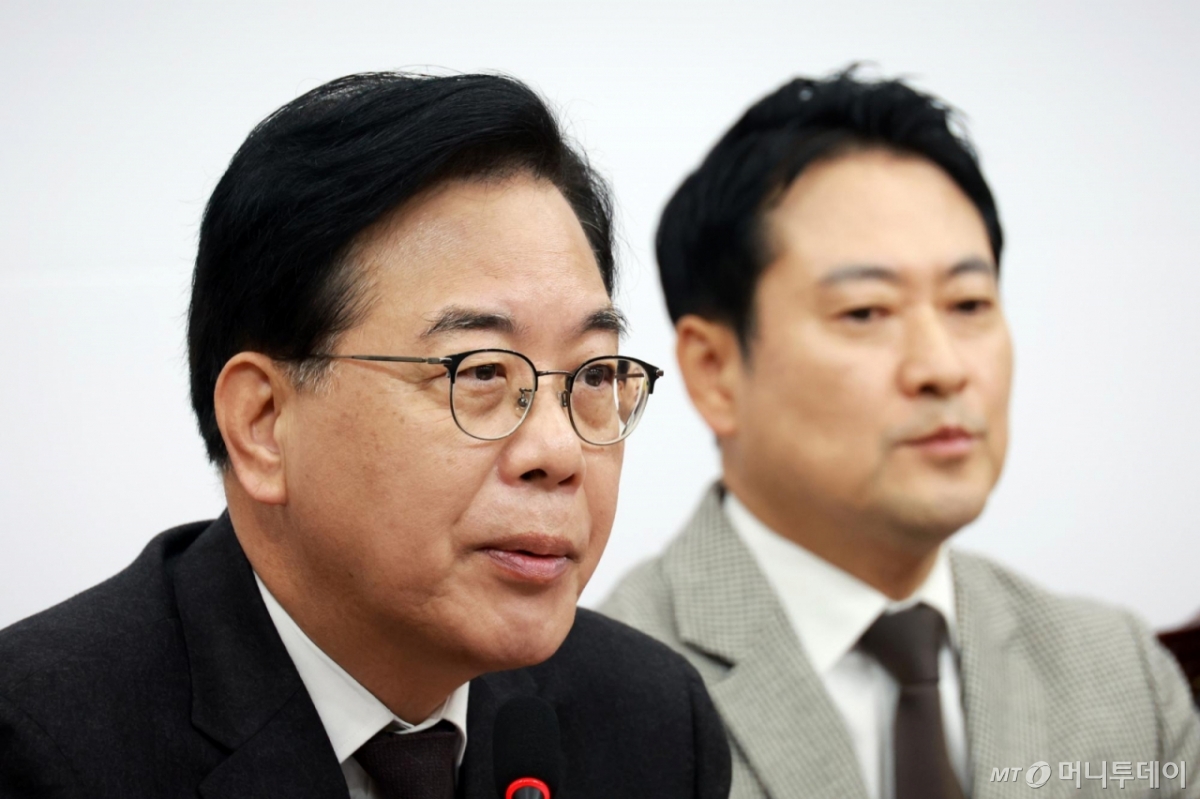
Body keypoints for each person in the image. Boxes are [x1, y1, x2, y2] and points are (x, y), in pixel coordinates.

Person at [0, 72, 731, 799]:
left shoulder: (652, 723)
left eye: (594, 375)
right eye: (479, 372)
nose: (560, 454)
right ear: (262, 423)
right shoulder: (39, 746)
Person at [602, 70, 1199, 799]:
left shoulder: (1120, 675)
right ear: (714, 371)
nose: (942, 368)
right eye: (866, 312)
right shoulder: (600, 696)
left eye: (969, 303)